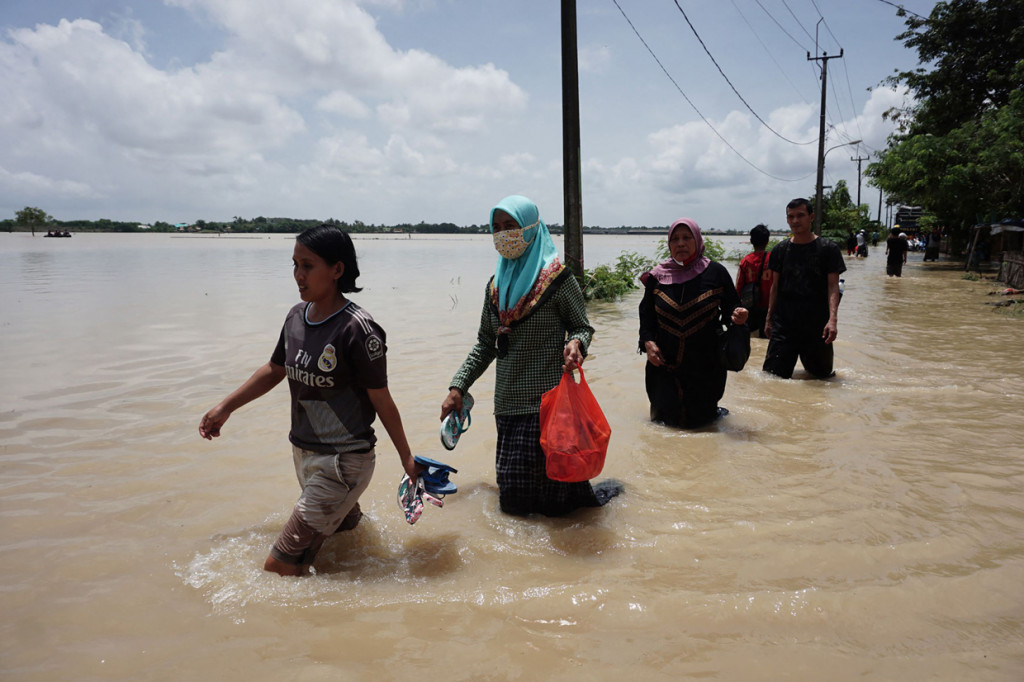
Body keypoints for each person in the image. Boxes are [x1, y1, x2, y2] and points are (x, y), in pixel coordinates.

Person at [199, 224, 419, 577]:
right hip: (304, 454)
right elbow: (274, 370)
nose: (298, 275)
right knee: (341, 541)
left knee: (278, 567)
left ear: (336, 270)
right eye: (295, 265)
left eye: (308, 265)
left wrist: (406, 458)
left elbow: (381, 398)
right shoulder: (295, 318)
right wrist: (225, 407)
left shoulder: (358, 330)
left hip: (343, 462)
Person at [440, 195, 621, 517]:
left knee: (556, 501)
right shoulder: (495, 286)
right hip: (508, 405)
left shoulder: (559, 280)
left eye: (510, 226)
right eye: (496, 228)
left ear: (531, 229)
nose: (502, 235)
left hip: (549, 403)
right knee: (516, 504)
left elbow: (582, 327)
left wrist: (576, 345)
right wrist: (457, 388)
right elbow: (485, 344)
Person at [639, 218, 749, 428]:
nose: (681, 243)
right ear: (669, 244)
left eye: (687, 237)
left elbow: (732, 310)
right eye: (675, 239)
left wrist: (739, 316)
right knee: (662, 428)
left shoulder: (716, 273)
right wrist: (648, 343)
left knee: (703, 427)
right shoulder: (657, 276)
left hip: (705, 370)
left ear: (697, 241)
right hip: (663, 367)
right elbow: (646, 316)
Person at [762, 198, 846, 380]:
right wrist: (769, 319)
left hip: (817, 324)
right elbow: (774, 287)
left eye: (800, 215)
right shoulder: (780, 250)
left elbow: (833, 287)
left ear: (811, 217)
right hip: (784, 324)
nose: (795, 221)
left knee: (822, 380)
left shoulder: (828, 249)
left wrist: (833, 320)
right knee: (771, 379)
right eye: (790, 217)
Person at [735, 223, 774, 337]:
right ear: (767, 241)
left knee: (751, 339)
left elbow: (738, 287)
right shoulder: (773, 259)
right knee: (768, 339)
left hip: (750, 307)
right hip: (770, 307)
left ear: (751, 241)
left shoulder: (746, 261)